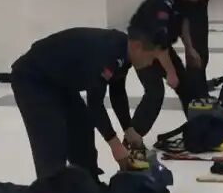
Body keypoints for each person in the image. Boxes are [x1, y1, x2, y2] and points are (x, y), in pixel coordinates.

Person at [10, 27, 164, 184]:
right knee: (52, 140)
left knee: (82, 127)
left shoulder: (125, 53)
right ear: (138, 47)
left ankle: (89, 185)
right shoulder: (110, 52)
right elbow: (95, 103)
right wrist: (115, 144)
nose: (150, 64)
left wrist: (128, 129)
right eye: (151, 57)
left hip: (60, 81)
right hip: (34, 79)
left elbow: (117, 92)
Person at [129, 0, 212, 131]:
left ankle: (198, 129)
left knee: (186, 86)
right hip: (142, 49)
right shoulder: (163, 1)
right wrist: (170, 72)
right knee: (155, 93)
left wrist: (189, 48)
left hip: (162, 46)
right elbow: (158, 44)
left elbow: (183, 22)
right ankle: (133, 137)